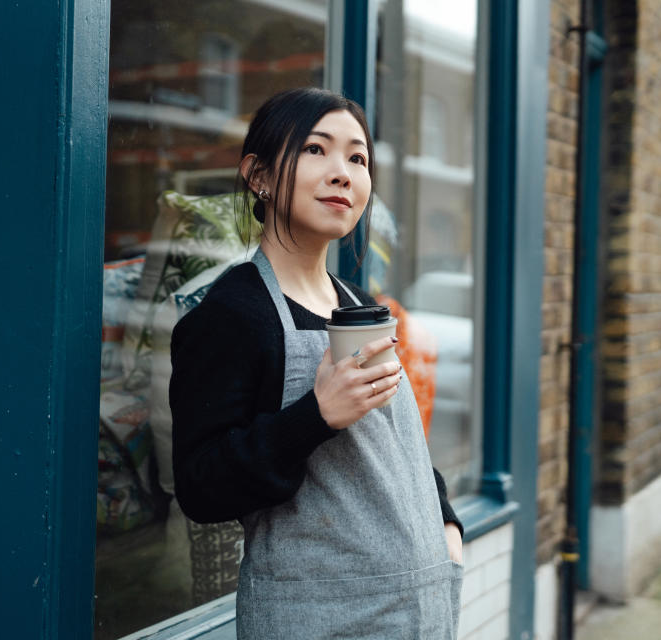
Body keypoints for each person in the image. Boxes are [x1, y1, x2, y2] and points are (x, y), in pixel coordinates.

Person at [170, 87, 464, 639]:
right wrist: (316, 415)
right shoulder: (233, 315)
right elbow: (200, 488)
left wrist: (447, 523)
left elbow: (397, 446)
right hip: (319, 618)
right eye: (315, 149)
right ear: (258, 175)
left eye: (358, 158)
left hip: (421, 610)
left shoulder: (358, 307)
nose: (342, 172)